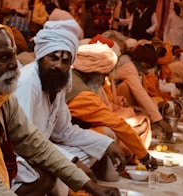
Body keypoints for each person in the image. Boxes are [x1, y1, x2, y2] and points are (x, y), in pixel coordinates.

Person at [0, 18, 123, 196]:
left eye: (13, 54)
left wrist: (89, 185)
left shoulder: (3, 98)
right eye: (3, 57)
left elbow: (36, 144)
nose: (13, 64)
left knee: (55, 169)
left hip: (3, 174)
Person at [14, 19, 126, 194]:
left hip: (42, 150)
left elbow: (64, 132)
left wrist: (107, 144)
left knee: (88, 151)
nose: (58, 65)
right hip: (20, 155)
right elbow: (25, 142)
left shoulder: (58, 83)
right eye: (53, 58)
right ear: (42, 57)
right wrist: (73, 163)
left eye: (65, 61)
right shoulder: (28, 83)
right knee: (50, 175)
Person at [65, 41, 158, 169]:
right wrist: (145, 156)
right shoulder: (83, 94)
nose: (104, 81)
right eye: (104, 76)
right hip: (58, 146)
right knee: (108, 133)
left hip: (64, 135)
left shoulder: (71, 76)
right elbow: (115, 123)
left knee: (119, 125)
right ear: (94, 73)